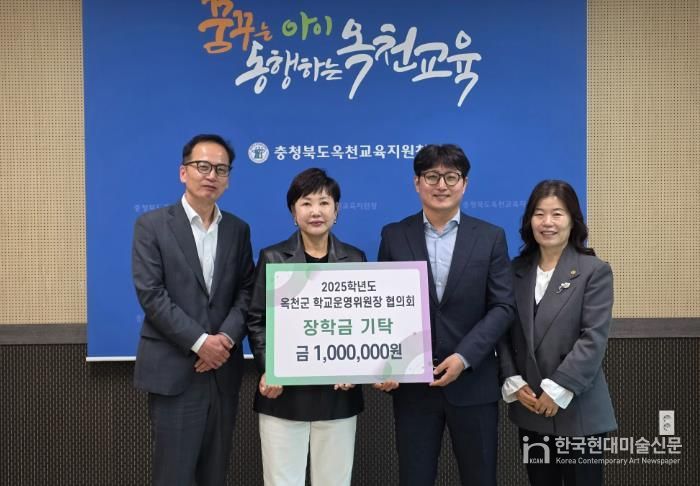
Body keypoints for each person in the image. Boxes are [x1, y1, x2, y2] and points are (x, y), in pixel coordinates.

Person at [376, 144, 515, 486]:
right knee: (415, 478)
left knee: (480, 478)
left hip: (473, 383)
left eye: (451, 177)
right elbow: (383, 305)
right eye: (432, 176)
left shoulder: (490, 237)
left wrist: (464, 357)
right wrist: (387, 364)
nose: (441, 185)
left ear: (464, 183)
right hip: (413, 388)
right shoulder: (394, 235)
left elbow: (503, 306)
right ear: (416, 182)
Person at [132, 134, 255, 486]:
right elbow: (152, 294)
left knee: (215, 474)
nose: (211, 175)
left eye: (221, 169)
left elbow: (246, 291)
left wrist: (225, 340)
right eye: (203, 166)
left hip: (222, 372)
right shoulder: (152, 225)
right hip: (175, 371)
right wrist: (201, 343)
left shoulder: (237, 230)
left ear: (228, 179)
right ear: (183, 172)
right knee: (174, 475)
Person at [246, 168, 365, 486]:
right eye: (306, 203)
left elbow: (362, 324)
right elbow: (256, 320)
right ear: (293, 211)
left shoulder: (355, 259)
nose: (316, 211)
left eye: (324, 203)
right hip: (283, 395)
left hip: (338, 395)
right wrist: (270, 368)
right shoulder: (273, 257)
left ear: (336, 210)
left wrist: (356, 367)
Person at [498, 180, 617, 486]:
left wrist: (558, 388)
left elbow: (593, 338)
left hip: (578, 409)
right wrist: (513, 380)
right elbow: (503, 332)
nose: (547, 222)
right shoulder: (515, 270)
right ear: (529, 221)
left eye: (557, 214)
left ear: (573, 220)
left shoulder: (593, 270)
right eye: (539, 214)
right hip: (531, 406)